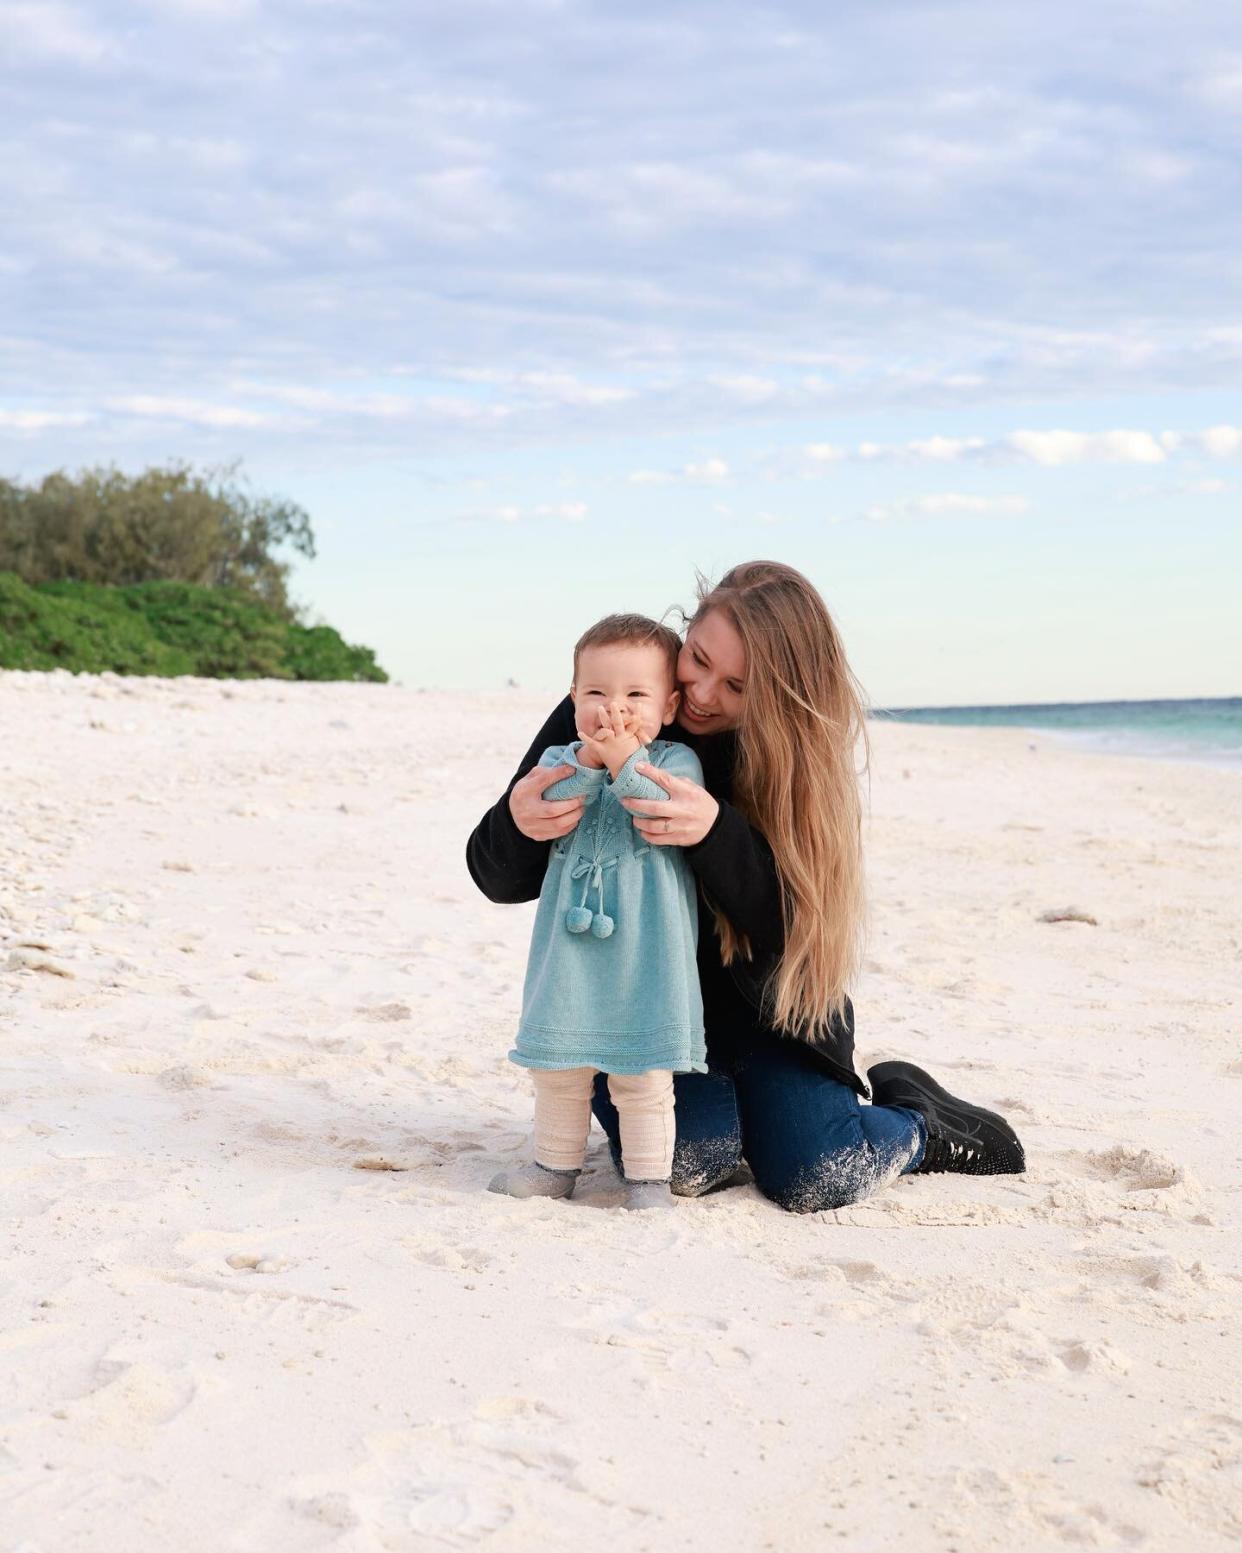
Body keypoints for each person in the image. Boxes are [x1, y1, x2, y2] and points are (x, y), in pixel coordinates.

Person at [468, 561, 1025, 1214]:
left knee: (817, 1174)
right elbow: (493, 873)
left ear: (779, 695)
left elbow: (801, 928)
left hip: (769, 1012)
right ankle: (723, 1119)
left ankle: (921, 1116)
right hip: (638, 1009)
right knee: (688, 1161)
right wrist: (519, 822)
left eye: (736, 685)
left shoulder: (797, 760)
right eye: (697, 658)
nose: (701, 692)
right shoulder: (617, 699)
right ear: (688, 627)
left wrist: (714, 833)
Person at [487, 614, 707, 1212]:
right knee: (560, 1067)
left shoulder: (678, 760)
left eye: (637, 695)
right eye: (597, 693)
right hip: (572, 950)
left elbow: (655, 801)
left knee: (642, 1074)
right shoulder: (562, 756)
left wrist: (623, 759)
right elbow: (551, 799)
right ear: (572, 699)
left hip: (645, 950)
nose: (616, 708)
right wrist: (588, 760)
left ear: (669, 705)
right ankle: (552, 1167)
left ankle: (648, 1182)